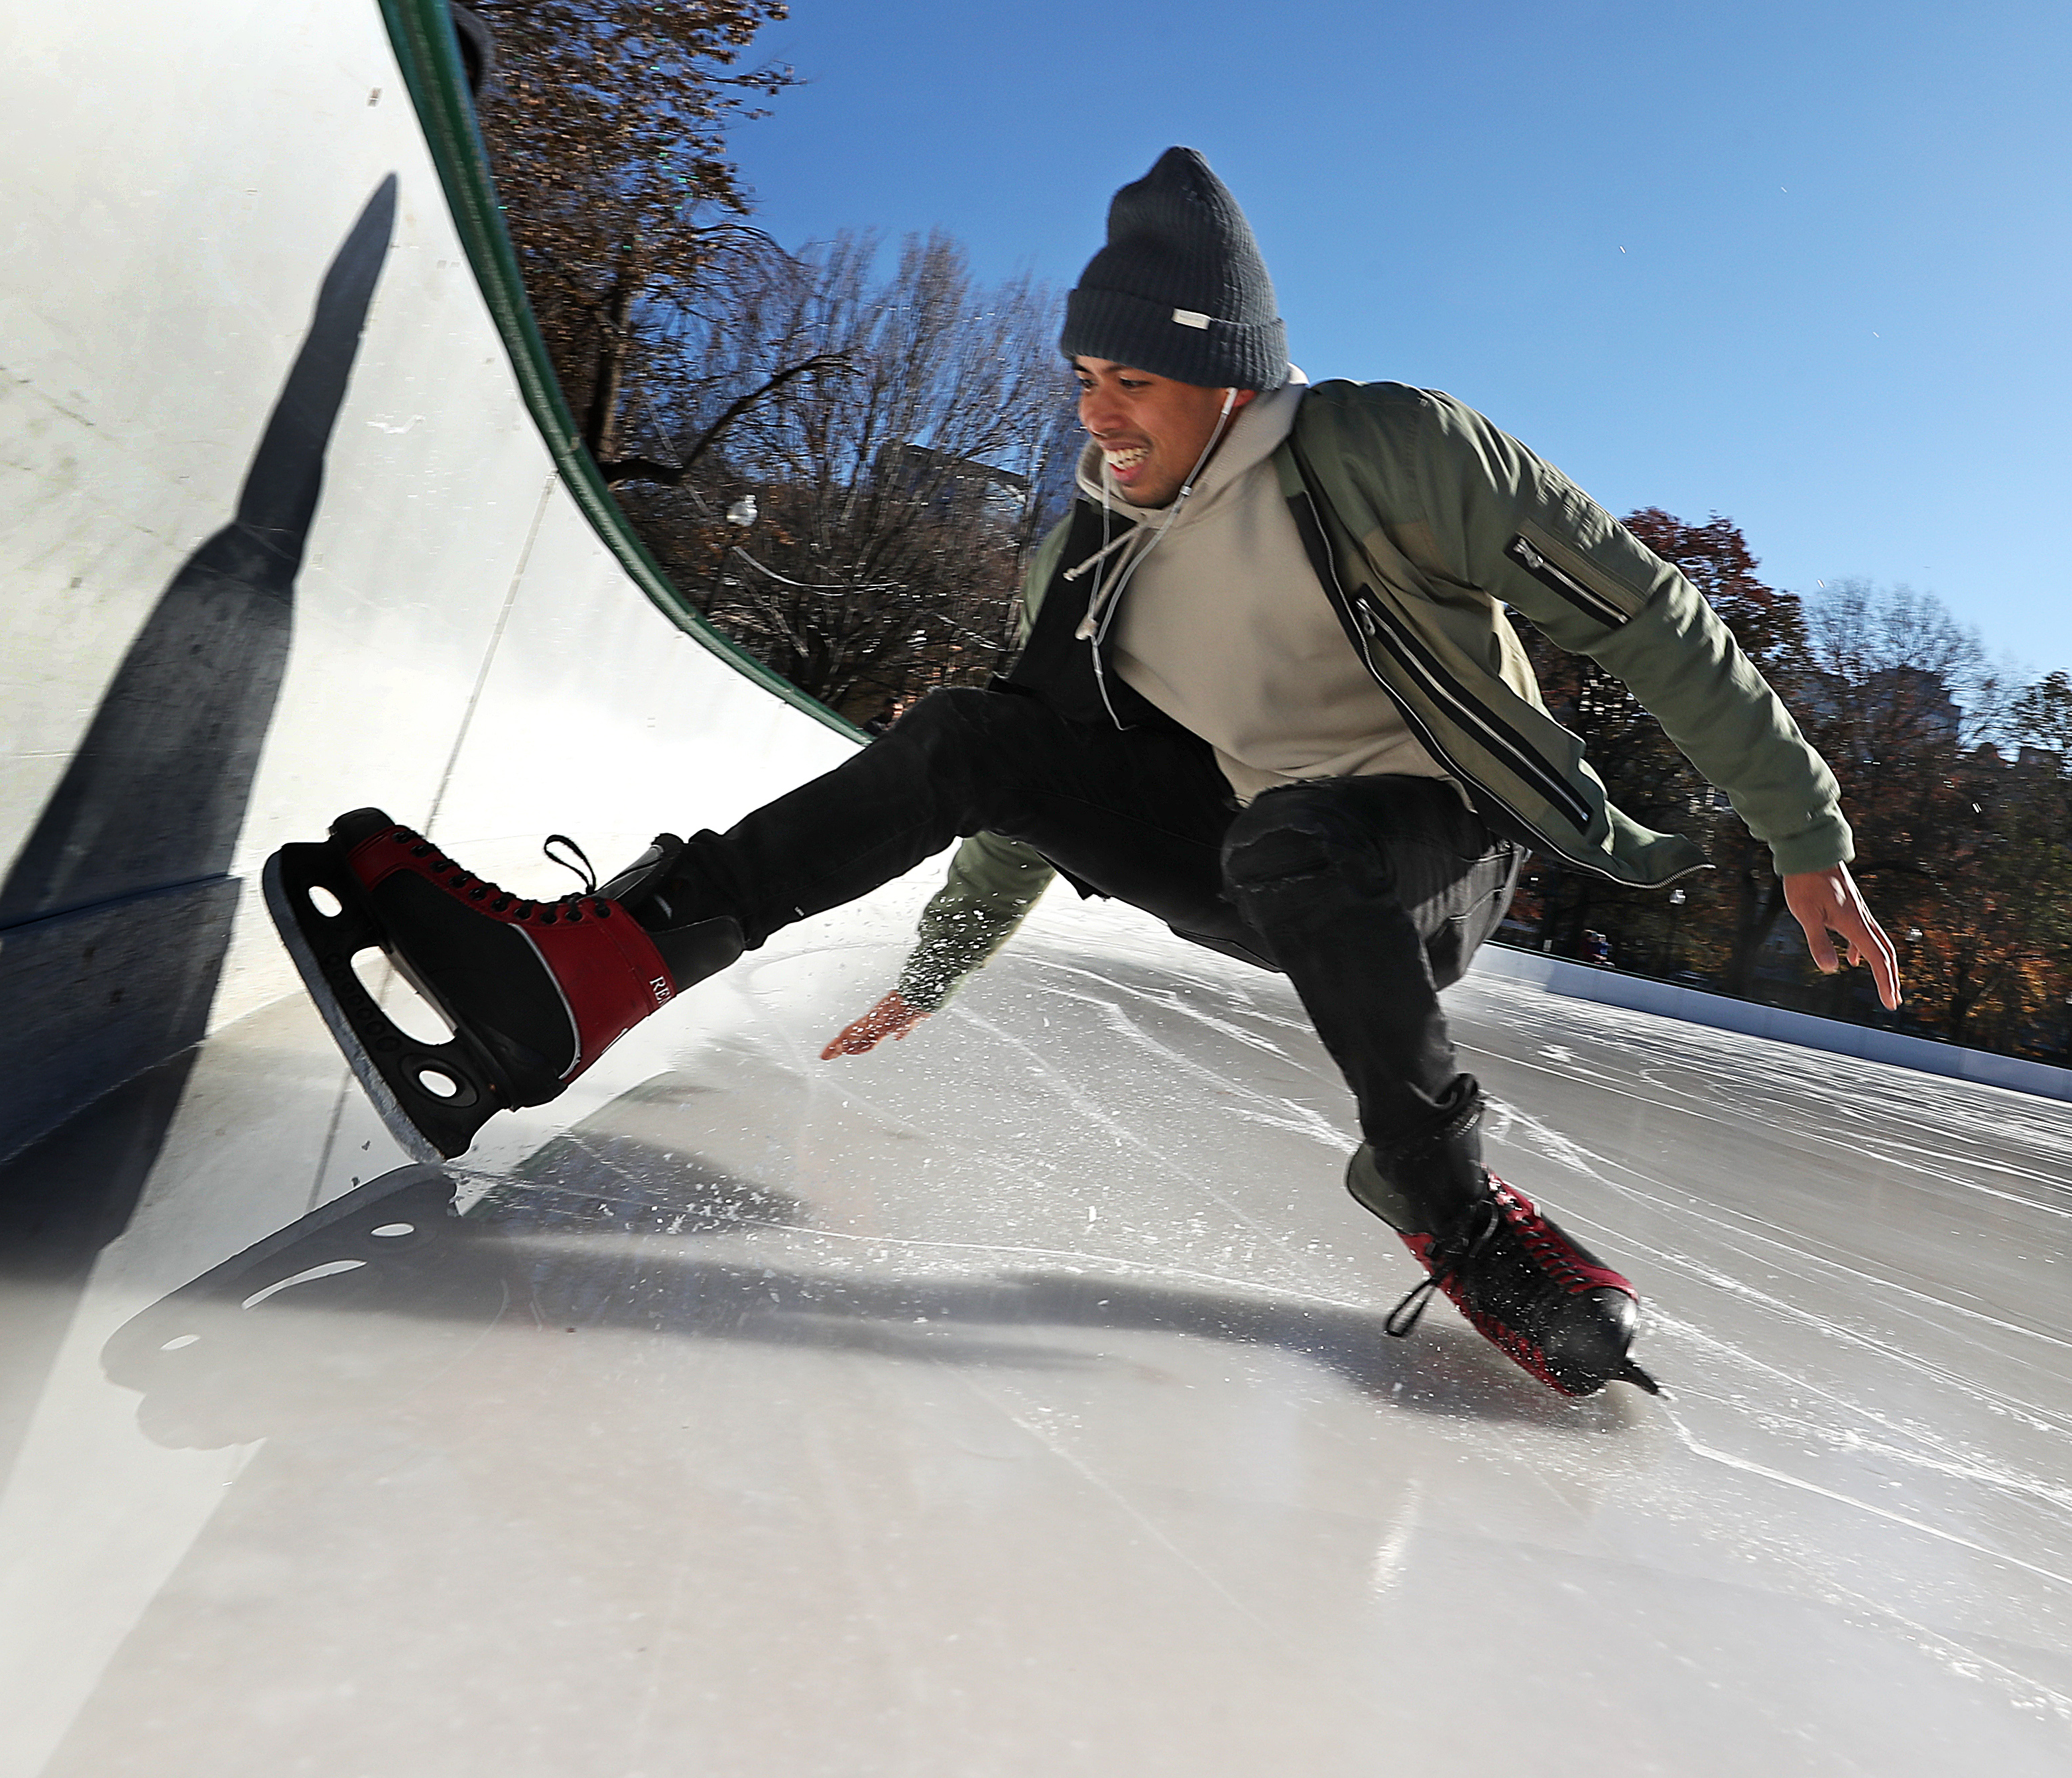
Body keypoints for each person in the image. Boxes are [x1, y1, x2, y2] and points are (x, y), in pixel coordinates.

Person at [270, 148, 1898, 1401]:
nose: (1100, 420)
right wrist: (939, 968)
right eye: (1085, 383)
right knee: (983, 732)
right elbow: (1022, 797)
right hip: (1268, 859)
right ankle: (601, 970)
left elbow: (1658, 618)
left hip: (1439, 844)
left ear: (1230, 377)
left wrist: (1804, 837)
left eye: (1134, 384)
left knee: (1311, 841)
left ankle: (1451, 1209)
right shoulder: (1083, 562)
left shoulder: (1396, 450)